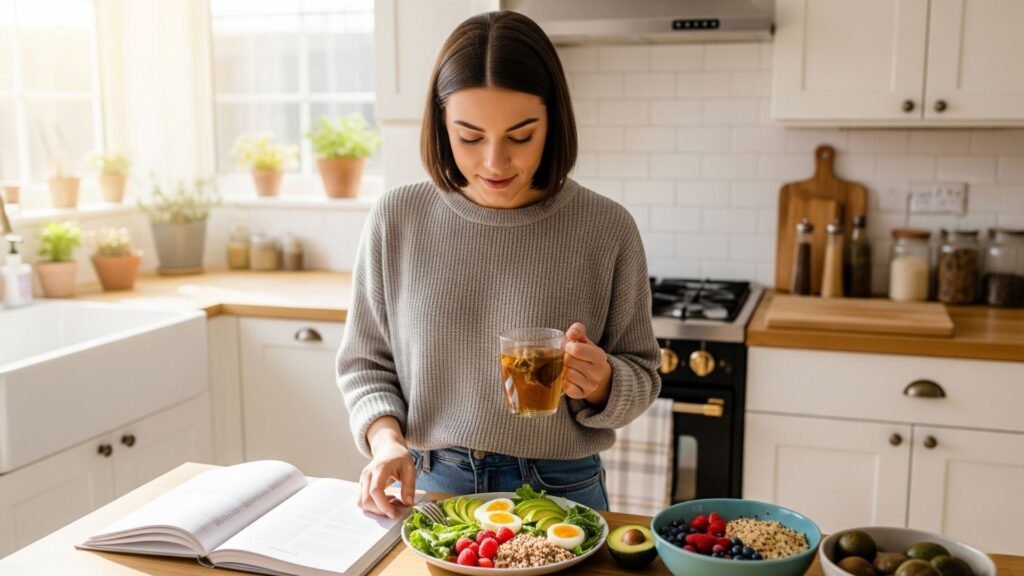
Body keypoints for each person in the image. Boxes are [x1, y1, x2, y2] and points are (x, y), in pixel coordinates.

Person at [336, 11, 661, 519]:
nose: (494, 162)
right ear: (442, 126)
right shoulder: (396, 219)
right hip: (430, 481)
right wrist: (386, 442)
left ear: (553, 121)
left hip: (561, 487)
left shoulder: (607, 227)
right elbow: (365, 365)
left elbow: (642, 372)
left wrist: (601, 383)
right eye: (469, 137)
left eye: (520, 135)